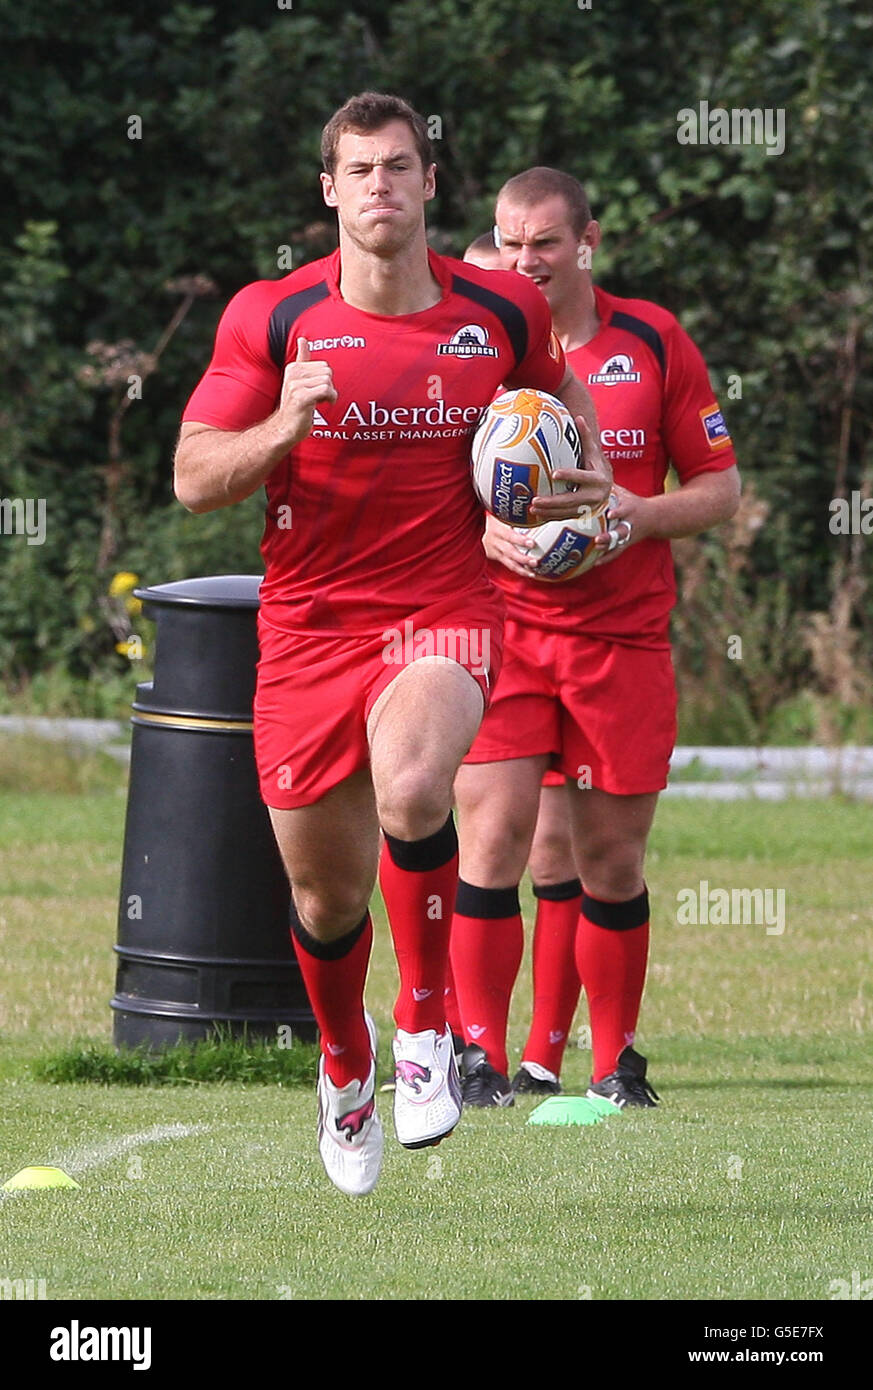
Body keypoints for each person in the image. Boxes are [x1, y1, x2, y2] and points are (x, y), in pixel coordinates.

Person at [174, 105, 611, 1194]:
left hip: (445, 610)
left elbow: (558, 414)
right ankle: (346, 1060)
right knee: (326, 901)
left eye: (400, 166)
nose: (381, 185)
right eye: (359, 169)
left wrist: (568, 501)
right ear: (330, 189)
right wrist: (283, 426)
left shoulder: (501, 309)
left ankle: (427, 1025)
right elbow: (191, 477)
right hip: (309, 628)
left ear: (429, 182)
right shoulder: (272, 318)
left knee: (419, 788)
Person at [451, 167, 741, 1108]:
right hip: (504, 633)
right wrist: (481, 528)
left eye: (543, 242)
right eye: (509, 240)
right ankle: (478, 1062)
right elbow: (419, 482)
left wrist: (634, 514)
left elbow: (718, 489)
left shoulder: (651, 339)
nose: (524, 261)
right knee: (493, 843)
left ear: (588, 243)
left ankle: (615, 1065)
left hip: (621, 643)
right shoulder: (477, 343)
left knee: (607, 860)